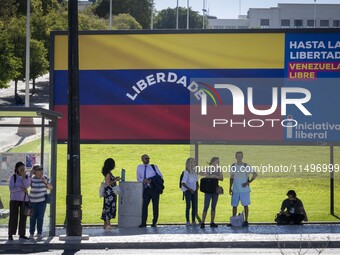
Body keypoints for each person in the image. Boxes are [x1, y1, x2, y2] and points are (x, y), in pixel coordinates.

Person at [229, 151, 257, 227]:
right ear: (235, 157)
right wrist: (230, 187)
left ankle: (246, 220)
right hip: (235, 189)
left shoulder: (246, 165)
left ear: (242, 157)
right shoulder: (233, 166)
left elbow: (255, 174)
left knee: (245, 205)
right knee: (234, 205)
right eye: (238, 156)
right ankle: (233, 221)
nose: (239, 157)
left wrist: (248, 182)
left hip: (244, 190)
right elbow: (231, 177)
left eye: (240, 156)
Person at [136, 154, 163, 227]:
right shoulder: (139, 167)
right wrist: (144, 180)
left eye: (148, 158)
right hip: (146, 189)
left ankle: (154, 222)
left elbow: (160, 176)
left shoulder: (153, 167)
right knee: (144, 206)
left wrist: (151, 180)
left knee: (155, 206)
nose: (147, 160)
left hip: (154, 188)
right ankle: (143, 222)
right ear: (142, 159)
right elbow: (138, 178)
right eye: (146, 158)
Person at [29, 164, 53, 239]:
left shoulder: (45, 177)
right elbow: (27, 185)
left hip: (42, 202)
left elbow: (50, 187)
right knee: (32, 218)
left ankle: (39, 233)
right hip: (32, 202)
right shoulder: (32, 178)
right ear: (34, 172)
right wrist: (30, 175)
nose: (40, 171)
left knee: (40, 217)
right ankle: (31, 233)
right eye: (38, 170)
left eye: (41, 170)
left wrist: (45, 181)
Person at [8, 161, 31, 241]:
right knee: (13, 217)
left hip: (24, 200)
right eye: (20, 168)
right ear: (17, 169)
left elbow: (27, 186)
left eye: (23, 168)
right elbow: (11, 189)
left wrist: (23, 177)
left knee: (23, 218)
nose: (22, 169)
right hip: (14, 200)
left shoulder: (27, 177)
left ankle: (22, 234)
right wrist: (20, 188)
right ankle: (10, 234)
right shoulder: (13, 177)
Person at [200, 157, 223, 228]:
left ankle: (212, 222)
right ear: (212, 162)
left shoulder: (219, 169)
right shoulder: (208, 168)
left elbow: (221, 178)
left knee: (213, 206)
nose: (218, 163)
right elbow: (200, 172)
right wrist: (208, 175)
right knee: (206, 206)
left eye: (218, 162)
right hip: (208, 190)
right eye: (216, 162)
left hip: (215, 190)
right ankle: (202, 222)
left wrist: (215, 176)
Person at [101, 158, 120, 229]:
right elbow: (108, 183)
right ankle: (108, 225)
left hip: (109, 193)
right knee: (109, 208)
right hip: (110, 194)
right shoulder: (108, 174)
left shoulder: (107, 173)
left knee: (106, 208)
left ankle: (105, 224)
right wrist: (115, 180)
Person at [181, 158, 198, 226]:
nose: (194, 164)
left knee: (194, 205)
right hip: (187, 191)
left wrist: (197, 186)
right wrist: (190, 189)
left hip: (194, 191)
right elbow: (183, 183)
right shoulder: (186, 172)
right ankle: (188, 220)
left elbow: (196, 181)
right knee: (188, 205)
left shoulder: (194, 172)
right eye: (193, 162)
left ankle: (193, 220)